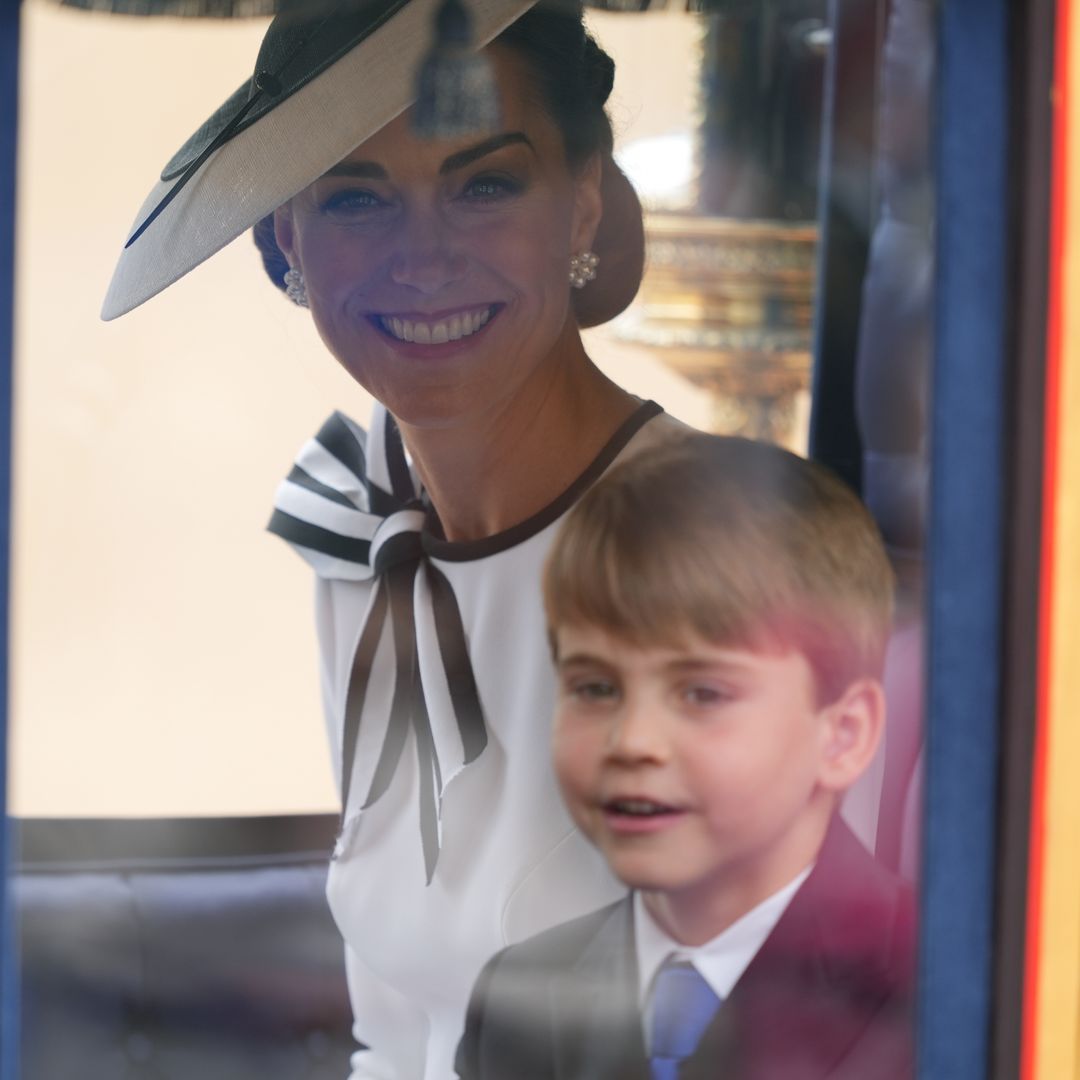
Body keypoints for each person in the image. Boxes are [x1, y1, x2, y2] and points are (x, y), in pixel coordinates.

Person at [104, 1, 690, 1077]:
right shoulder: (361, 529)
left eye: (485, 185)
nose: (424, 259)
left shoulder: (712, 555)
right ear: (288, 236)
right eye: (357, 200)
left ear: (582, 202)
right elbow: (393, 1025)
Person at [456, 434, 916, 1080]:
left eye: (703, 693)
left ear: (842, 735)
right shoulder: (517, 996)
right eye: (594, 687)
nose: (633, 740)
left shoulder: (949, 991)